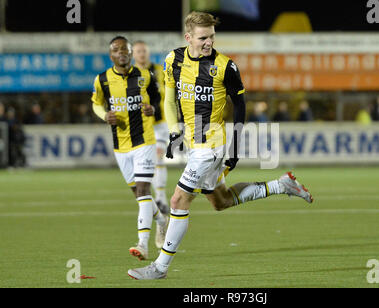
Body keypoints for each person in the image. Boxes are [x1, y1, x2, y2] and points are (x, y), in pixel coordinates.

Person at [127, 11, 313, 281]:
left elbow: (240, 106)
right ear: (188, 37)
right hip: (192, 141)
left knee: (179, 200)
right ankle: (281, 185)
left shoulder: (226, 66)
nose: (208, 42)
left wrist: (235, 146)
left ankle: (160, 267)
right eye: (203, 37)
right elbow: (169, 100)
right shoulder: (173, 59)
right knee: (220, 201)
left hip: (211, 144)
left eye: (212, 37)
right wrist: (174, 133)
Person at [91, 36, 168, 262]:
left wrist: (152, 109)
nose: (121, 52)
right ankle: (162, 221)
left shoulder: (145, 76)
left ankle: (142, 244)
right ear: (111, 55)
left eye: (125, 49)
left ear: (131, 53)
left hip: (144, 141)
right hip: (120, 146)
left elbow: (156, 100)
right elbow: (96, 103)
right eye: (116, 49)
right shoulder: (102, 80)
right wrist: (104, 114)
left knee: (144, 191)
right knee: (139, 194)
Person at [132, 41, 171, 244]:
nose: (141, 54)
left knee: (158, 156)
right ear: (133, 54)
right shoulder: (130, 74)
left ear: (148, 52)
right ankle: (160, 219)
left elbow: (168, 93)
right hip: (140, 127)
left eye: (144, 50)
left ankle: (162, 198)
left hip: (160, 123)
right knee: (139, 178)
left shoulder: (159, 71)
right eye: (138, 51)